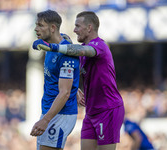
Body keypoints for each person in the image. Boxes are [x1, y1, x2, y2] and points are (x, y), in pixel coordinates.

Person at [33, 11, 125, 150]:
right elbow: (74, 55)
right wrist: (75, 88)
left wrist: (54, 47)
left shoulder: (99, 46)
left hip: (108, 109)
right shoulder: (77, 50)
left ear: (89, 28)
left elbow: (83, 51)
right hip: (91, 110)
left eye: (77, 26)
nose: (74, 30)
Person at [30, 10, 80, 150]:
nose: (36, 28)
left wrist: (46, 120)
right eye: (36, 25)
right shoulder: (50, 45)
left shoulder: (66, 55)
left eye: (40, 25)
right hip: (50, 112)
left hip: (60, 115)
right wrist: (76, 89)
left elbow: (64, 93)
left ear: (52, 28)